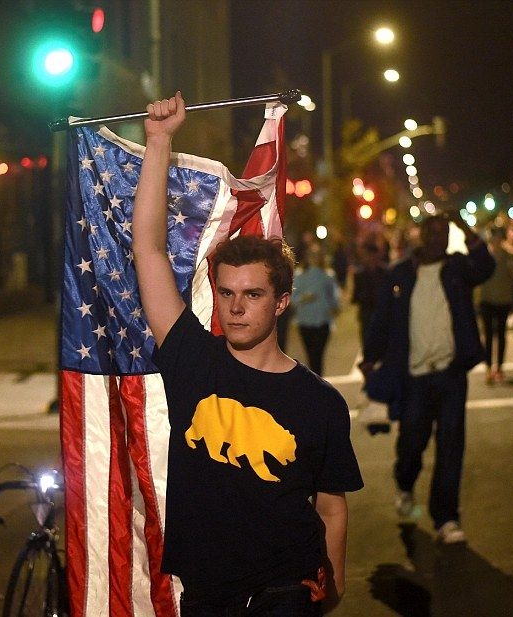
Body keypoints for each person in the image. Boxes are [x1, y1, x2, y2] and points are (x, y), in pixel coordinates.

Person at [132, 92, 363, 615]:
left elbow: (331, 505)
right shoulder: (192, 359)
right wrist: (160, 141)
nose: (236, 307)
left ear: (282, 302)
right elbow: (148, 249)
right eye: (227, 293)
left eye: (253, 294)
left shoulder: (319, 402)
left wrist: (337, 584)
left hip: (287, 588)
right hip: (209, 590)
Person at [361, 209, 495, 544]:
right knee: (411, 444)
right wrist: (370, 358)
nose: (437, 239)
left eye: (443, 232)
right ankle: (405, 485)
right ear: (420, 236)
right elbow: (381, 321)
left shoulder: (457, 269)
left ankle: (446, 519)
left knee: (451, 446)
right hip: (414, 377)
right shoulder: (400, 274)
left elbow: (487, 266)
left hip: (450, 373)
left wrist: (465, 226)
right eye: (431, 233)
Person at [293, 243, 339, 376]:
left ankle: (318, 382)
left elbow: (334, 296)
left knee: (318, 354)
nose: (314, 258)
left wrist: (335, 308)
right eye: (311, 255)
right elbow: (292, 298)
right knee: (310, 354)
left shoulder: (328, 275)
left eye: (317, 255)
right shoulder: (300, 275)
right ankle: (316, 383)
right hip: (305, 321)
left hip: (322, 320)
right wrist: (304, 298)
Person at [479, 226, 513, 385]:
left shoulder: (508, 256)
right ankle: (488, 368)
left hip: (503, 299)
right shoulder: (484, 256)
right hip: (487, 299)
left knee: (501, 334)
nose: (496, 240)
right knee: (488, 335)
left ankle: (499, 368)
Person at [350, 242, 386, 350]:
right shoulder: (359, 275)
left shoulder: (385, 273)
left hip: (381, 314)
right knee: (367, 345)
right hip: (366, 314)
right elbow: (355, 297)